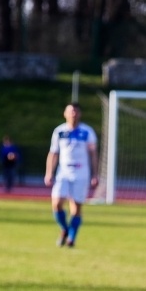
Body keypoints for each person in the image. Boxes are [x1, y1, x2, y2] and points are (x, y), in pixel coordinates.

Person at [44, 103, 98, 248]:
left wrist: (95, 174)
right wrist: (49, 172)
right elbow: (53, 153)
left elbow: (93, 154)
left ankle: (71, 238)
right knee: (56, 203)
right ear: (65, 114)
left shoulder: (87, 132)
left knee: (76, 206)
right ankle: (65, 229)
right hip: (63, 172)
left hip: (81, 172)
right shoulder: (59, 131)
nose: (73, 114)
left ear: (80, 114)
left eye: (76, 111)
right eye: (70, 111)